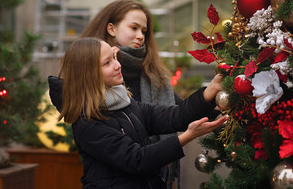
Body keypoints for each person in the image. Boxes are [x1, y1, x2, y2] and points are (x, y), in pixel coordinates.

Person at [50, 37, 227, 189]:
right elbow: (137, 160)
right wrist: (187, 137)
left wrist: (208, 93)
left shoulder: (124, 103)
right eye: (107, 63)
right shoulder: (87, 123)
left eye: (114, 57)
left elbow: (174, 116)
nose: (118, 65)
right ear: (88, 74)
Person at [79, 0, 189, 188]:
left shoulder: (153, 73)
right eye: (134, 28)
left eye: (144, 31)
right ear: (111, 29)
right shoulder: (86, 79)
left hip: (152, 178)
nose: (140, 36)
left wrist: (214, 97)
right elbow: (132, 157)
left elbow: (177, 112)